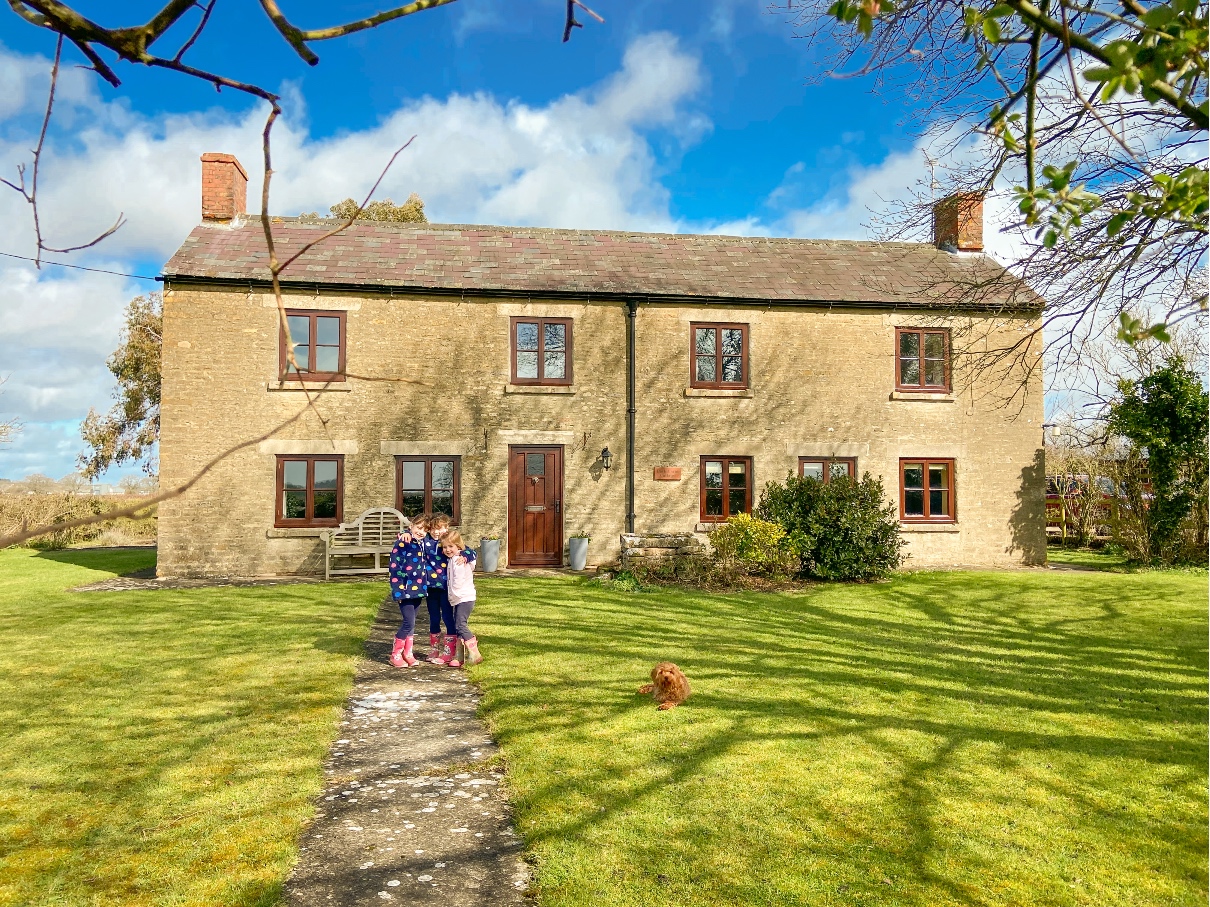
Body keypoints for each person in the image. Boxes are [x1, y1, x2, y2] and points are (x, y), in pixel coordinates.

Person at [386, 516, 429, 668]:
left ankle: (407, 653)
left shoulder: (423, 543)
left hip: (418, 589)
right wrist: (398, 590)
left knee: (412, 623)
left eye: (425, 530)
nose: (421, 532)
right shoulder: (403, 542)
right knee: (408, 622)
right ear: (411, 526)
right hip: (404, 590)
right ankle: (395, 654)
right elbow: (394, 567)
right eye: (418, 528)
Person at [423, 513, 461, 665]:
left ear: (446, 528)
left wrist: (467, 555)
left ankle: (449, 651)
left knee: (447, 617)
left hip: (446, 588)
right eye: (433, 528)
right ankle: (434, 649)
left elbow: (466, 550)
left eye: (439, 528)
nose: (436, 532)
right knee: (433, 618)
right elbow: (412, 535)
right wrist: (405, 534)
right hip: (431, 588)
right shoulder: (425, 542)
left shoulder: (449, 543)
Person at [441, 529, 482, 667]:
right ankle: (459, 657)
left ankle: (475, 653)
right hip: (460, 598)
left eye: (450, 546)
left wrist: (453, 596)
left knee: (460, 625)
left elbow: (457, 581)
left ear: (458, 546)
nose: (447, 549)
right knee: (459, 626)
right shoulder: (455, 559)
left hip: (464, 597)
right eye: (445, 547)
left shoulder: (458, 560)